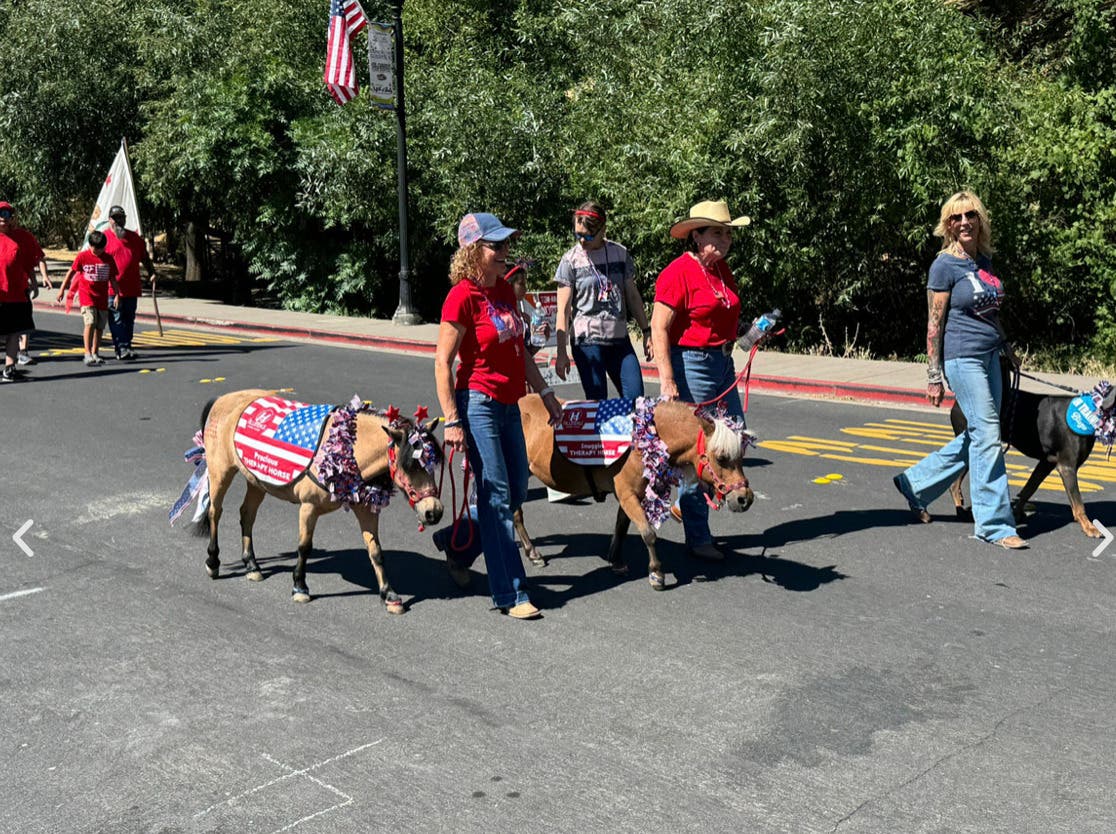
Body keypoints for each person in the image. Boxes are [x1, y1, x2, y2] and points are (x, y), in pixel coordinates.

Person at [434, 212, 563, 620]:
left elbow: (520, 351)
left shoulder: (505, 290)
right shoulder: (461, 297)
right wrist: (452, 420)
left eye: (506, 244)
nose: (506, 251)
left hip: (510, 403)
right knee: (499, 497)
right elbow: (442, 363)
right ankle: (511, 593)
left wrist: (545, 393)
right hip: (478, 404)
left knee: (517, 489)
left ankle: (457, 545)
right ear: (473, 252)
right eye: (497, 245)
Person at [892, 191, 1027, 549]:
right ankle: (995, 524)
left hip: (990, 356)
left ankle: (916, 483)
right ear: (947, 225)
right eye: (956, 218)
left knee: (980, 435)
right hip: (961, 358)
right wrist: (933, 375)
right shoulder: (944, 266)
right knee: (988, 434)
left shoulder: (984, 261)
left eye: (970, 215)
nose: (964, 222)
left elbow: (990, 312)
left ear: (980, 219)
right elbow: (934, 323)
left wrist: (1007, 347)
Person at [651, 199, 752, 561]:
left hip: (722, 361)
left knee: (735, 435)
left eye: (727, 233)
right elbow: (658, 326)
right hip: (691, 362)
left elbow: (720, 319)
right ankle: (698, 536)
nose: (725, 239)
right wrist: (667, 379)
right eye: (716, 232)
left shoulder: (722, 271)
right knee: (704, 451)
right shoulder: (677, 272)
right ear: (696, 235)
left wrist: (750, 334)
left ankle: (687, 507)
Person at [554, 201, 651, 399]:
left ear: (603, 230)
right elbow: (563, 310)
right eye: (577, 235)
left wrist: (646, 331)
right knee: (598, 402)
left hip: (619, 340)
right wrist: (561, 352)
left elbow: (632, 295)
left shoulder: (620, 253)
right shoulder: (570, 260)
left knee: (636, 400)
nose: (582, 241)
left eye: (588, 236)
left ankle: (633, 431)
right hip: (587, 341)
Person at [56, 231, 122, 367]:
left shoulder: (108, 259)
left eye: (101, 248)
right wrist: (62, 289)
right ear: (90, 245)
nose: (97, 251)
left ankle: (95, 353)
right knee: (90, 322)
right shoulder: (83, 257)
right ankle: (87, 354)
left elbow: (113, 279)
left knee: (99, 327)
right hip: (87, 296)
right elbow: (71, 272)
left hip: (102, 297)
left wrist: (117, 294)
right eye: (95, 248)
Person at [0, 201, 46, 383]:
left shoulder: (23, 237)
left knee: (14, 332)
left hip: (17, 293)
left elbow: (30, 261)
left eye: (7, 214)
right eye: (0, 214)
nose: (3, 217)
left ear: (12, 218)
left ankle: (9, 369)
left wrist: (35, 282)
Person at [103, 204, 156, 360]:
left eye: (121, 217)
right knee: (117, 319)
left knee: (129, 319)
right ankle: (121, 348)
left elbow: (145, 258)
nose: (118, 221)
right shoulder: (104, 238)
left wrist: (152, 273)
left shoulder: (135, 239)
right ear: (109, 220)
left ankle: (126, 345)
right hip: (113, 289)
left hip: (132, 287)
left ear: (125, 219)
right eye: (115, 218)